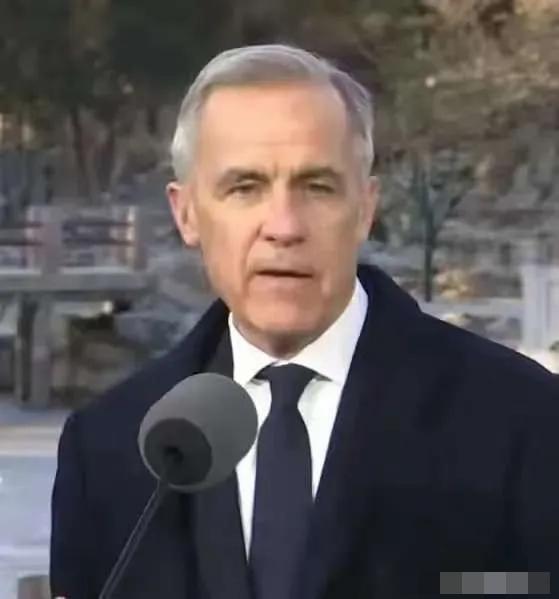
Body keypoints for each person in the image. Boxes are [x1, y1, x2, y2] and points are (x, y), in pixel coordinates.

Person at [50, 44, 559, 599]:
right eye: (245, 188)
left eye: (317, 187)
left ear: (365, 209)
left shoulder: (524, 421)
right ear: (187, 213)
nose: (284, 227)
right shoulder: (108, 447)